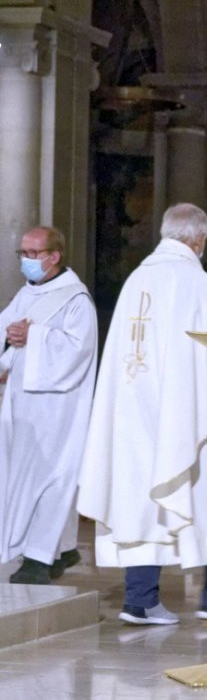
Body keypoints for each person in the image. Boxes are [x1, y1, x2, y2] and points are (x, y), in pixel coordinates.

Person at [78, 204, 207, 623]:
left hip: (133, 413)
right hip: (188, 415)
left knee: (141, 498)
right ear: (198, 240)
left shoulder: (136, 280)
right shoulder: (197, 284)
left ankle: (140, 599)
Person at [0, 226, 97, 584]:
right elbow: (5, 331)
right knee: (24, 477)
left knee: (52, 477)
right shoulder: (28, 293)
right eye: (22, 253)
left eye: (33, 254)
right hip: (24, 406)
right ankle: (62, 549)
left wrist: (34, 337)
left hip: (57, 407)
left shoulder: (75, 300)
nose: (26, 260)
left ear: (54, 256)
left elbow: (77, 351)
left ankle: (39, 559)